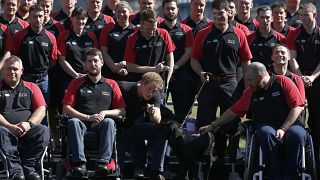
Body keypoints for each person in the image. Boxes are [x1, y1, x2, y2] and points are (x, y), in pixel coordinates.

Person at [200, 62, 306, 179]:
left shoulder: (283, 82)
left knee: (297, 134)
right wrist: (213, 125)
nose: (248, 84)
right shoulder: (250, 92)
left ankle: (290, 176)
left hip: (290, 123)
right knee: (265, 134)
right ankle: (274, 175)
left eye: (250, 80)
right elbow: (233, 111)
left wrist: (283, 128)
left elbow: (297, 107)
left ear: (260, 77)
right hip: (266, 125)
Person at [191, 0, 252, 161]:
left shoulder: (239, 34)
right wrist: (201, 72)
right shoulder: (203, 34)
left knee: (231, 123)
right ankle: (204, 158)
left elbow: (246, 61)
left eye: (221, 13)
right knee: (205, 120)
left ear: (229, 13)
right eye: (215, 13)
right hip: (209, 83)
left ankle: (229, 158)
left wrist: (247, 85)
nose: (218, 16)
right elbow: (194, 60)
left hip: (230, 83)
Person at [62, 48, 126, 177]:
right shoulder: (76, 83)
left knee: (109, 122)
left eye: (96, 60)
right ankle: (80, 164)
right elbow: (66, 108)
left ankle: (103, 163)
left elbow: (122, 111)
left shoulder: (111, 84)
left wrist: (105, 113)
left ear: (102, 62)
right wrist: (88, 117)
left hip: (101, 124)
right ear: (85, 64)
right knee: (73, 122)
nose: (93, 64)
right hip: (82, 123)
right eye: (89, 61)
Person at [0, 56, 50, 180]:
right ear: (3, 70)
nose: (12, 72)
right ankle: (16, 171)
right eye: (8, 68)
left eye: (15, 69)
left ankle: (29, 168)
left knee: (43, 130)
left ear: (22, 71)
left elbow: (42, 109)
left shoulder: (31, 87)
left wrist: (29, 124)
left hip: (27, 130)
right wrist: (8, 126)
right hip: (5, 131)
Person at [286, 2, 320, 173]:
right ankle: (297, 160)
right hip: (299, 79)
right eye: (300, 15)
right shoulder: (294, 33)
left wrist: (312, 77)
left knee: (316, 122)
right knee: (297, 118)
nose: (302, 18)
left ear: (314, 15)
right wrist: (301, 78)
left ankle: (315, 163)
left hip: (317, 81)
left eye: (306, 15)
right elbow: (292, 58)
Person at [118, 72, 167, 180]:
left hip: (135, 126)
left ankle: (156, 171)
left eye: (154, 90)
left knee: (162, 130)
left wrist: (152, 112)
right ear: (142, 83)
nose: (151, 93)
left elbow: (157, 119)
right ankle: (121, 171)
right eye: (149, 89)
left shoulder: (155, 95)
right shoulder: (122, 87)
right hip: (118, 126)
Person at [12, 4, 58, 112]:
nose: (38, 19)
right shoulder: (20, 36)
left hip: (43, 79)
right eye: (35, 16)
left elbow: (53, 60)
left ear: (45, 16)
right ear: (29, 17)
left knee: (43, 109)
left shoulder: (50, 37)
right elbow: (14, 57)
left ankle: (44, 129)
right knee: (24, 109)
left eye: (40, 16)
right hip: (25, 79)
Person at [57, 7, 98, 114]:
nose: (81, 21)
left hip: (88, 78)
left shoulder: (91, 36)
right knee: (68, 108)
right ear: (71, 19)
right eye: (78, 18)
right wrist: (75, 75)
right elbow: (62, 60)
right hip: (69, 78)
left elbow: (96, 58)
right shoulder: (64, 35)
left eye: (83, 18)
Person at [159, 0, 194, 122]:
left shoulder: (186, 29)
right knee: (159, 109)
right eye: (167, 8)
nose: (170, 11)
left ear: (177, 10)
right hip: (160, 75)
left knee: (182, 112)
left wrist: (175, 67)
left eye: (173, 8)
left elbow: (189, 51)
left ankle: (181, 138)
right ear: (163, 10)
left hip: (181, 74)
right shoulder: (157, 29)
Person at [124, 8, 175, 84]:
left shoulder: (164, 34)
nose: (151, 32)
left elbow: (170, 58)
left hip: (159, 82)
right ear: (141, 23)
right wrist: (153, 69)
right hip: (139, 82)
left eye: (153, 28)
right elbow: (130, 67)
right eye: (148, 29)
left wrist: (167, 80)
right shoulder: (132, 38)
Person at [99, 0, 135, 81]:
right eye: (118, 11)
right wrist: (114, 67)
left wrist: (127, 67)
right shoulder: (107, 29)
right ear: (115, 13)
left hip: (131, 74)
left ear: (130, 13)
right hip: (110, 73)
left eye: (124, 11)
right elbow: (103, 51)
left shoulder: (136, 30)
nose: (121, 14)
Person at [246, 5, 286, 70]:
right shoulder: (249, 39)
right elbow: (245, 60)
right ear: (257, 18)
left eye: (267, 17)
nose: (265, 20)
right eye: (262, 17)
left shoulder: (281, 38)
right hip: (256, 76)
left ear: (272, 18)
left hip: (275, 76)